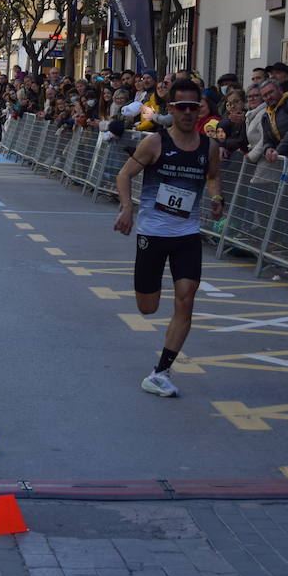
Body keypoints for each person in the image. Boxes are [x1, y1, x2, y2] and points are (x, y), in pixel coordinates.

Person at [114, 79, 223, 397]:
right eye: (182, 107)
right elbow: (124, 175)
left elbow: (213, 176)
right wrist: (126, 208)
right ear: (172, 110)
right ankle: (150, 292)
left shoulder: (209, 147)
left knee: (186, 299)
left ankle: (161, 371)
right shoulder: (155, 144)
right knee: (147, 307)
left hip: (187, 235)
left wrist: (217, 199)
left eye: (194, 107)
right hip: (153, 234)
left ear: (200, 108)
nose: (189, 113)